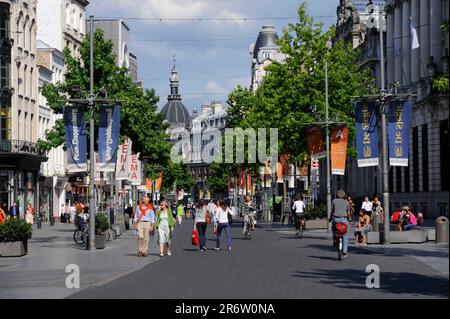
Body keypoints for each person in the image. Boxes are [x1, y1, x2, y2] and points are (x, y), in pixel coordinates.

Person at [329, 190, 351, 258]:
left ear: (337, 195)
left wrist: (330, 218)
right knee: (345, 234)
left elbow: (332, 211)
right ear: (344, 195)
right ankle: (344, 251)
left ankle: (335, 239)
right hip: (344, 219)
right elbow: (348, 212)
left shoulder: (334, 201)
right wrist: (349, 219)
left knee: (333, 228)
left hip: (336, 219)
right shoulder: (346, 202)